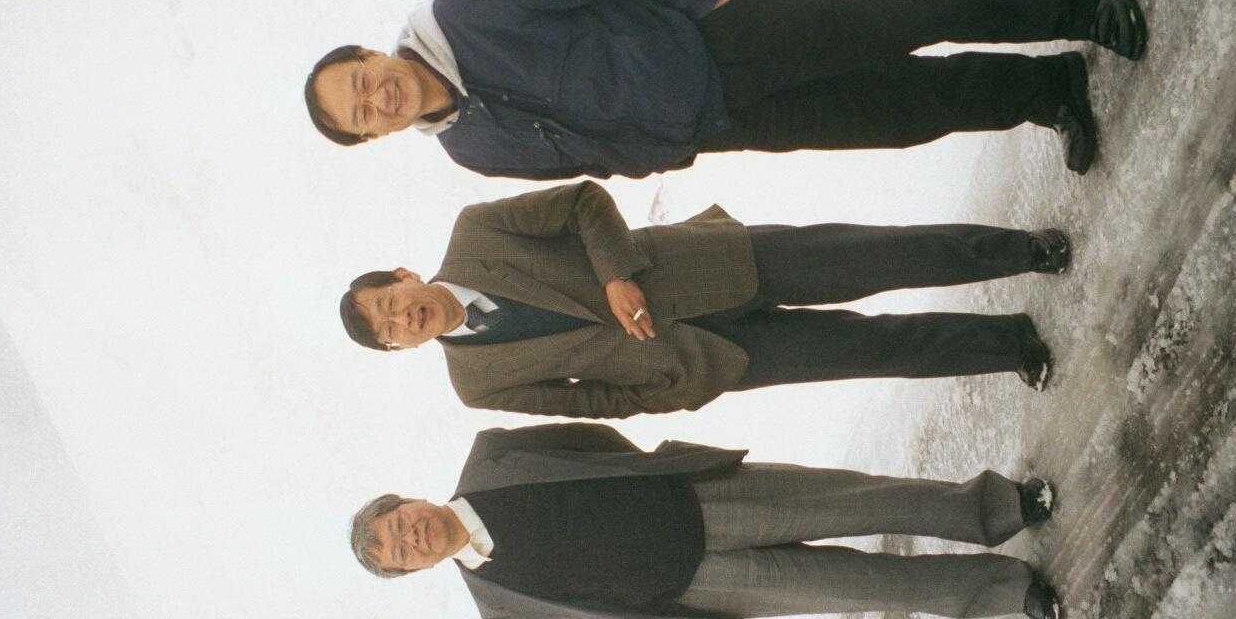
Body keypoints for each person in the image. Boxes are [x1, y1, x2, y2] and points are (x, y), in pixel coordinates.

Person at [304, 0, 1146, 180]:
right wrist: (665, 155)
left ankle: (1078, 6)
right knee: (897, 114)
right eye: (361, 115)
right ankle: (1049, 91)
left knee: (910, 15)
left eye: (360, 81)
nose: (375, 98)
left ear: (370, 54)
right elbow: (583, 161)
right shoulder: (468, 149)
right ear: (375, 135)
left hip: (719, 33)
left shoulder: (467, 6)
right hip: (719, 123)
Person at [338, 181, 1067, 418]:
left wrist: (616, 275)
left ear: (403, 274)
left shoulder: (476, 232)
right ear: (401, 348)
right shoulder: (475, 383)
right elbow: (584, 403)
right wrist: (661, 393)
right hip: (702, 360)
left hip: (711, 265)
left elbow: (584, 203)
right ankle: (1009, 344)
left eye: (391, 301)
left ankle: (1022, 250)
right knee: (871, 350)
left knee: (877, 256)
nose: (404, 317)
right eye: (391, 331)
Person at [348, 422, 1062, 619]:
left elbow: (590, 441)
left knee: (865, 501)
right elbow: (586, 606)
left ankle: (999, 508)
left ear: (407, 500)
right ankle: (1007, 589)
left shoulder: (491, 457)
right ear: (414, 571)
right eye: (401, 553)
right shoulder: (495, 604)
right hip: (703, 586)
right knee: (872, 586)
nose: (412, 537)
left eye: (399, 523)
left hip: (702, 500)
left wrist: (654, 487)